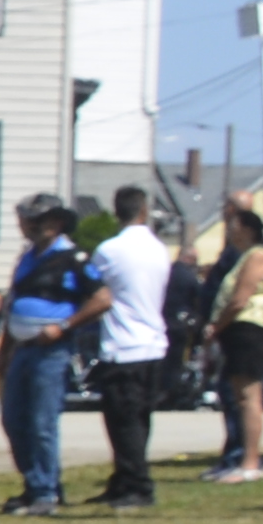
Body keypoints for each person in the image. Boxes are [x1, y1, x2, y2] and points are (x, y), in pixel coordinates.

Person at [0, 201, 96, 513]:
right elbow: (15, 303)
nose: (28, 226)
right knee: (14, 419)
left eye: (35, 221)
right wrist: (5, 350)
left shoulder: (74, 259)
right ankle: (34, 482)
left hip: (51, 350)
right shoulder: (26, 259)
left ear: (55, 224)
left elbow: (102, 299)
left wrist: (64, 326)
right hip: (22, 348)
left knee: (41, 421)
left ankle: (44, 492)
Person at [84, 187, 179, 507]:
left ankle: (138, 485)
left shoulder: (109, 250)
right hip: (153, 343)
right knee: (139, 419)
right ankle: (123, 480)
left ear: (116, 212)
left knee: (122, 422)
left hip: (122, 345)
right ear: (144, 211)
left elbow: (94, 287)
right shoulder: (159, 250)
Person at [199, 198, 263, 479]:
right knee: (238, 397)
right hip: (238, 333)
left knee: (250, 398)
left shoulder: (257, 256)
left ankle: (250, 462)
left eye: (235, 225)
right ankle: (241, 459)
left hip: (250, 330)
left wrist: (216, 326)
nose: (230, 230)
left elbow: (240, 299)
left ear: (247, 229)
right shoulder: (245, 256)